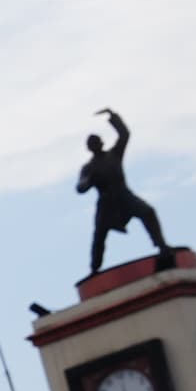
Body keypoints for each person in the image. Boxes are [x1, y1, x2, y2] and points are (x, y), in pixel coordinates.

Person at [76, 107, 169, 272]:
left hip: (124, 195)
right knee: (99, 235)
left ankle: (162, 245)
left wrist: (113, 117)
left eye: (97, 141)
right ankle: (94, 268)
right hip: (106, 203)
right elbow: (80, 187)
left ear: (101, 143)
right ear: (89, 148)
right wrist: (89, 181)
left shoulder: (114, 155)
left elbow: (124, 135)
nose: (95, 145)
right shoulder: (89, 168)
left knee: (147, 212)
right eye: (91, 144)